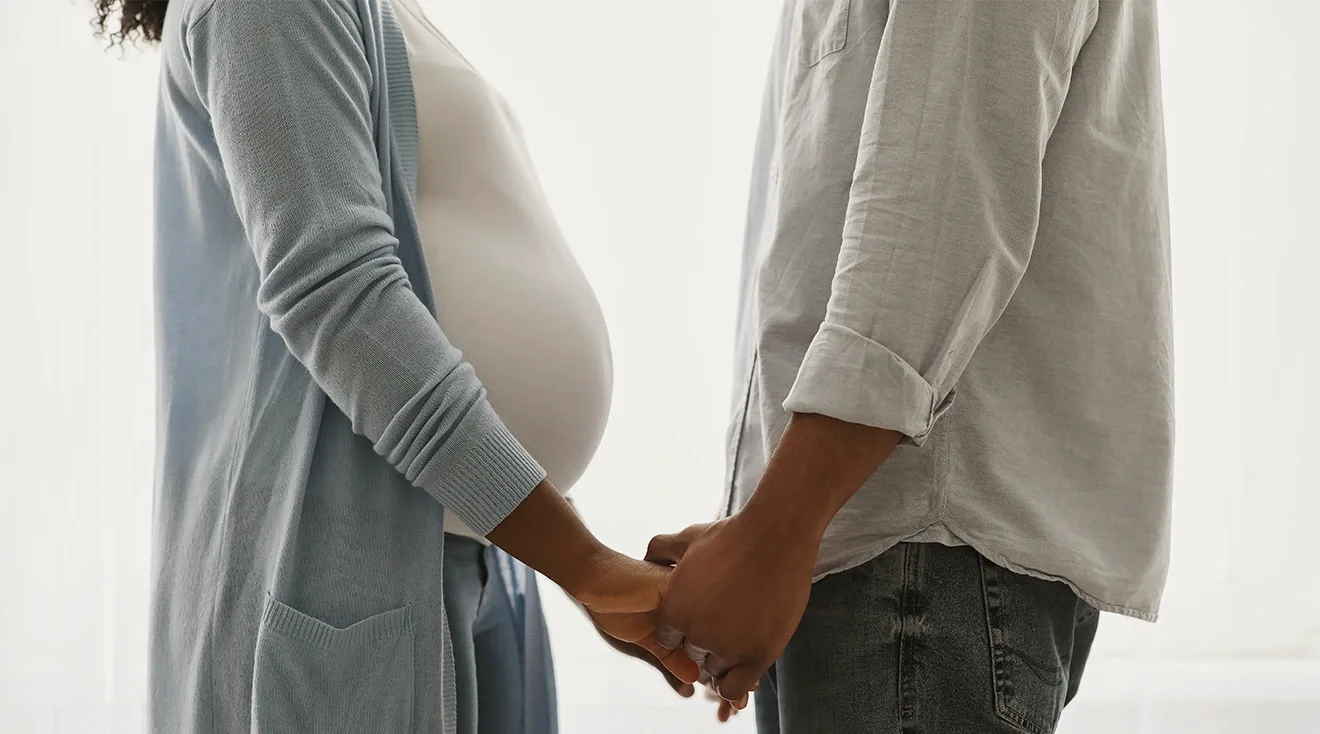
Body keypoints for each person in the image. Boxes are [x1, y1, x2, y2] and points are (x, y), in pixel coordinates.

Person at [92, 0, 697, 732]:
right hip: (343, 575)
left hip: (483, 555)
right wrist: (583, 563)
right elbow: (339, 296)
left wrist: (561, 544)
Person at [650, 1, 1173, 732]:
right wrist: (757, 539)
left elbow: (939, 202)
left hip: (916, 547)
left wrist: (773, 532)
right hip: (860, 542)